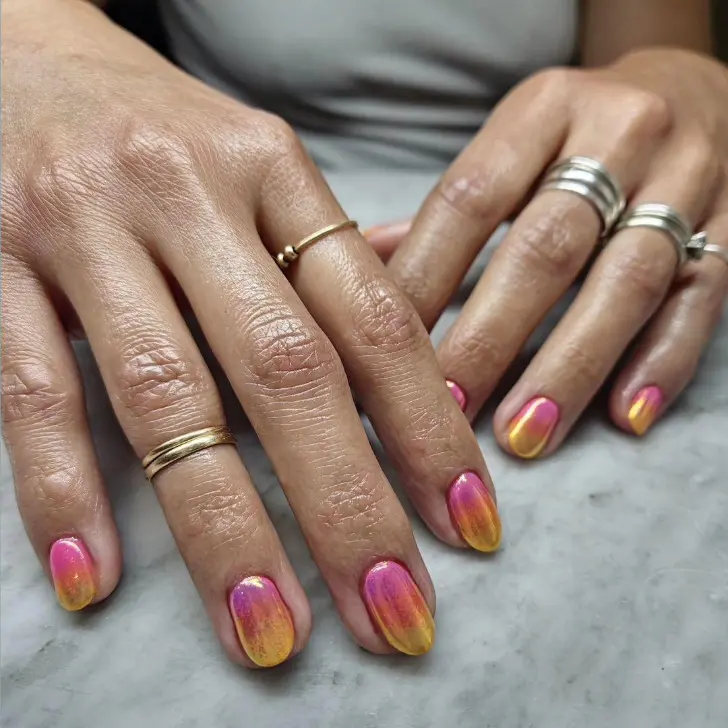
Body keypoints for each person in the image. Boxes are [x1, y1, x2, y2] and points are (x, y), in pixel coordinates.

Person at [2, 0, 726, 668]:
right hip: (199, 229)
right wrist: (30, 42)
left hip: (524, 244)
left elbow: (654, 55)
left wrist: (685, 85)